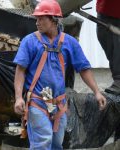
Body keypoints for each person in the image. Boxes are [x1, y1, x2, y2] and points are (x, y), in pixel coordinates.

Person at [13, 0, 106, 149]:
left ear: (54, 20)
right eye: (36, 18)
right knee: (43, 141)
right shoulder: (29, 41)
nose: (37, 22)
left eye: (41, 18)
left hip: (59, 105)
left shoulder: (69, 43)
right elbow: (20, 70)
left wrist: (97, 92)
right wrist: (18, 98)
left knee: (56, 144)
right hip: (37, 102)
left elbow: (83, 69)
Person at [96, 0, 120, 95]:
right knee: (107, 42)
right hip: (105, 11)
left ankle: (119, 79)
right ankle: (117, 78)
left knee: (118, 48)